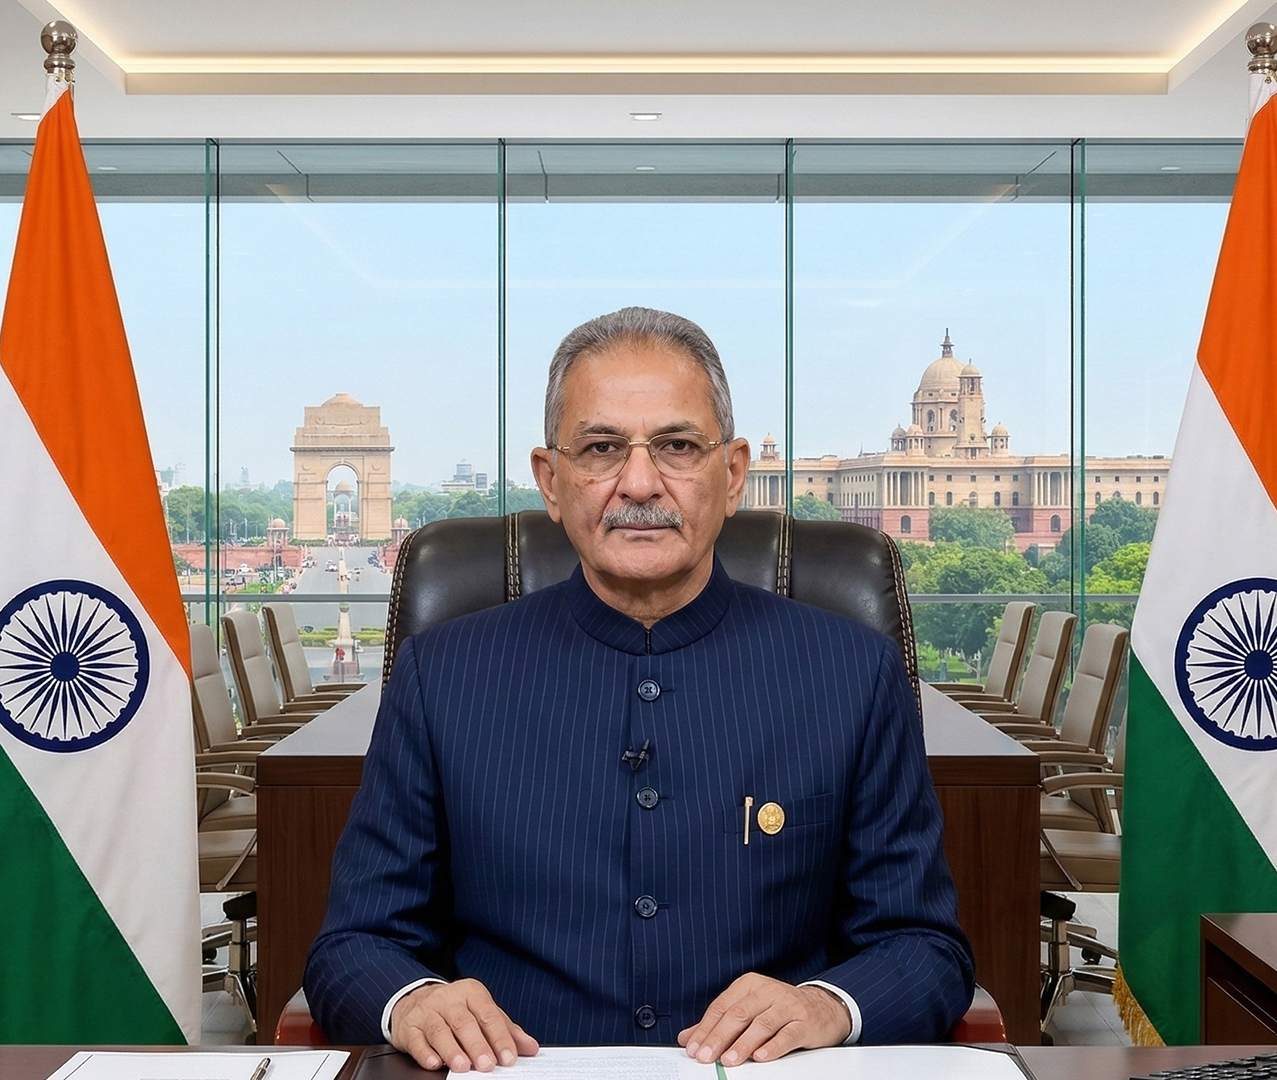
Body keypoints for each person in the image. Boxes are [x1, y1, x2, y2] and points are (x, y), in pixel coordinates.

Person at [307, 307, 973, 1072]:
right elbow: (353, 945)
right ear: (551, 482)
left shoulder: (852, 673)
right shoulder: (444, 676)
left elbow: (925, 948)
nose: (639, 483)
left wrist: (827, 1004)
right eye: (600, 448)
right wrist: (415, 999)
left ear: (732, 474)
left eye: (678, 446)